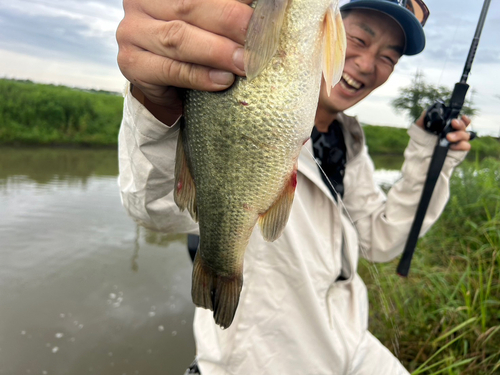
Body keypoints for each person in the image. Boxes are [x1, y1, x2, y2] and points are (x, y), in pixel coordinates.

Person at [116, 0, 473, 373]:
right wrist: (153, 101)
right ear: (327, 26)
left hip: (351, 349)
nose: (367, 65)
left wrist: (430, 156)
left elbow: (379, 240)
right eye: (359, 39)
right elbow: (153, 207)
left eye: (389, 57)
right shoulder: (241, 82)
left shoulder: (349, 142)